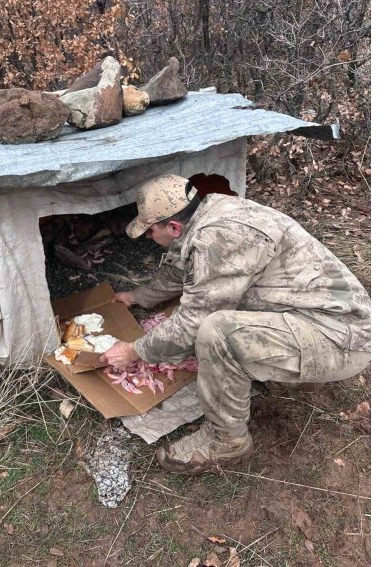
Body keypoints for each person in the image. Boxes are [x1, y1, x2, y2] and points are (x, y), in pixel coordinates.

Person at [99, 174, 371, 474]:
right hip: (318, 312)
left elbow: (192, 323)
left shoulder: (216, 238)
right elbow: (179, 267)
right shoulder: (208, 212)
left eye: (150, 231)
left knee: (217, 333)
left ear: (173, 226)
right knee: (216, 315)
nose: (149, 238)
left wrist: (134, 351)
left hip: (341, 337)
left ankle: (226, 441)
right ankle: (291, 366)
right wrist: (138, 296)